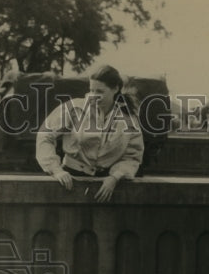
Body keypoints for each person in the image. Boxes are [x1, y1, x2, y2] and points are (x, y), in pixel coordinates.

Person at [35, 65, 144, 202]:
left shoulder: (128, 119)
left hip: (106, 186)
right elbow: (45, 135)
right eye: (91, 90)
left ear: (115, 89)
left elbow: (132, 156)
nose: (93, 96)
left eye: (100, 91)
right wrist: (56, 170)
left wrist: (115, 177)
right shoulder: (75, 108)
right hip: (70, 181)